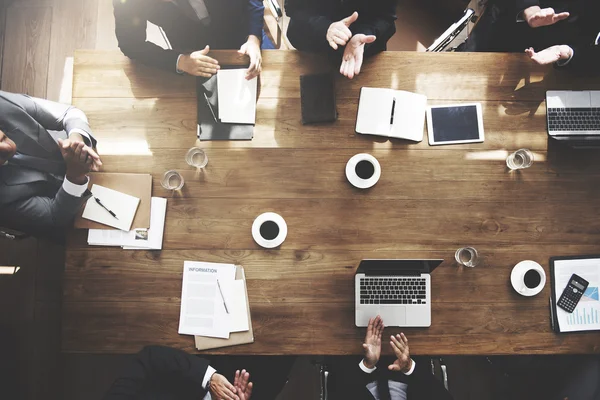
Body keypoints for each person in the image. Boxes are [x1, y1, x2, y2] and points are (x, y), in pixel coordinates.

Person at [0, 90, 101, 237]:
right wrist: (75, 175)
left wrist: (76, 139)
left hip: (96, 159)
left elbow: (70, 113)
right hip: (75, 212)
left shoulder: (4, 105)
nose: (7, 147)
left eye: (2, 138)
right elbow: (53, 218)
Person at [113, 0, 272, 80]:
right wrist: (180, 61)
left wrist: (254, 38)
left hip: (245, 34)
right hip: (190, 51)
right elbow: (130, 43)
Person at [330, 316, 453, 400]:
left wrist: (367, 366)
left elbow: (338, 393)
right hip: (408, 372)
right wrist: (409, 367)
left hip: (359, 370)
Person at [285, 0, 398, 79]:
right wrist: (325, 28)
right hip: (312, 41)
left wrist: (364, 34)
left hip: (364, 50)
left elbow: (385, 15)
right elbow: (293, 9)